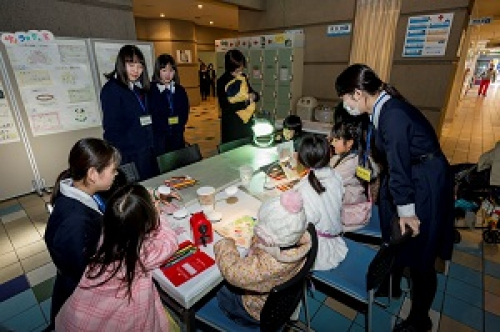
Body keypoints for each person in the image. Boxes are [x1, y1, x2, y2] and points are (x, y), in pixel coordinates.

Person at [335, 63, 454, 332]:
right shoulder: (381, 108)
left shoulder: (393, 115)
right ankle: (393, 285)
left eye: (343, 98)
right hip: (409, 176)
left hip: (423, 181)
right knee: (395, 235)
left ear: (356, 93)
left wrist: (408, 213)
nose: (344, 105)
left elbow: (400, 166)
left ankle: (420, 319)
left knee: (421, 252)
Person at [55, 184, 178, 331]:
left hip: (74, 320)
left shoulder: (106, 238)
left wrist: (146, 209)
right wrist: (158, 216)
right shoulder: (140, 256)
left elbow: (128, 215)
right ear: (145, 225)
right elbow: (170, 242)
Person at [44, 138, 121, 331]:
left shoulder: (84, 191)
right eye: (113, 170)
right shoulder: (74, 222)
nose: (116, 174)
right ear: (93, 174)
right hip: (81, 295)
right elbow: (85, 273)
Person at [214, 190, 311, 326]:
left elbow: (232, 272)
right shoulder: (299, 241)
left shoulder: (268, 265)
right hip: (277, 305)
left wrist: (225, 244)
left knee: (217, 285)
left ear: (267, 237)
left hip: (253, 311)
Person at [100, 44, 157, 181]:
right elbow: (111, 129)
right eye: (131, 65)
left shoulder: (137, 89)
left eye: (140, 66)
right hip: (129, 155)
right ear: (121, 64)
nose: (136, 71)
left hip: (146, 150)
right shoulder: (111, 90)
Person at [294, 135, 347, 271]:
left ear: (301, 160)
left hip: (318, 250)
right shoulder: (336, 176)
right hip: (334, 238)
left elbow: (306, 221)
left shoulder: (304, 188)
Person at [149, 54, 190, 156]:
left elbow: (185, 111)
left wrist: (179, 125)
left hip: (177, 135)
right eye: (164, 71)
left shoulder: (180, 90)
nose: (168, 74)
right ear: (158, 71)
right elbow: (151, 114)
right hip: (159, 138)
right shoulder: (150, 90)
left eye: (171, 71)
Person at [217, 49, 260, 144]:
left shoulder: (243, 77)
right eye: (238, 69)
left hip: (246, 123)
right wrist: (246, 103)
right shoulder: (222, 81)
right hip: (232, 125)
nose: (241, 71)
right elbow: (225, 107)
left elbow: (253, 93)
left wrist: (254, 96)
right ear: (231, 67)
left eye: (242, 68)